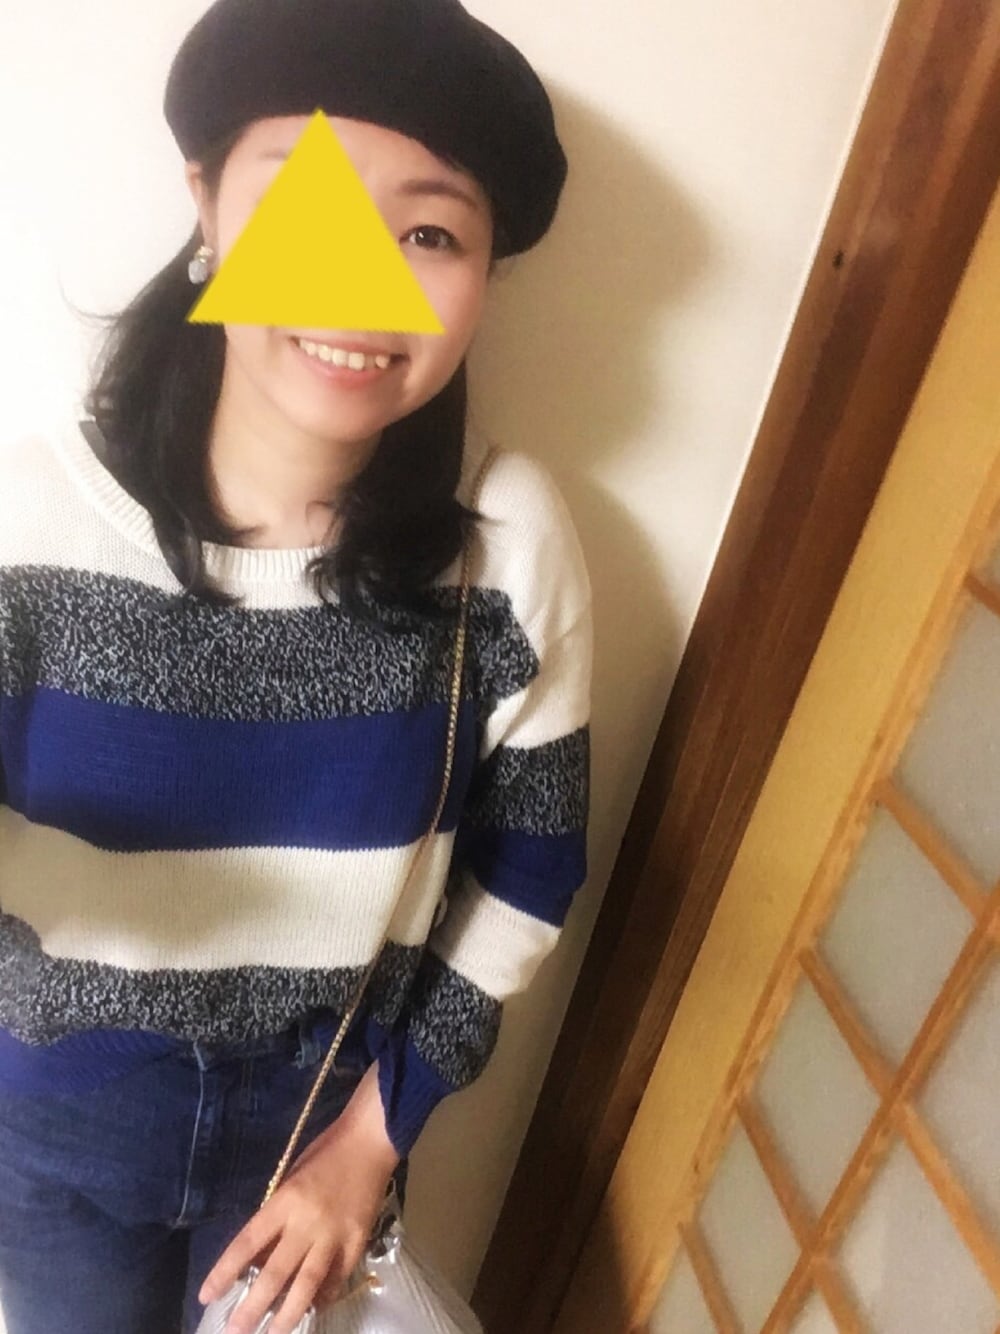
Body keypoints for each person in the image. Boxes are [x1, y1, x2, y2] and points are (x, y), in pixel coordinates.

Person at [0, 1, 592, 1332]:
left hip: (315, 1129)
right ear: (207, 209)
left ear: (486, 276)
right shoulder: (26, 523)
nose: (358, 282)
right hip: (51, 1128)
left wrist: (374, 1140)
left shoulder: (507, 545)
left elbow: (532, 868)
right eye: (304, 204)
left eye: (429, 234)